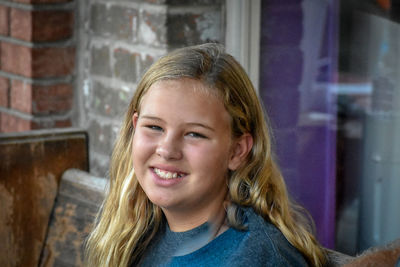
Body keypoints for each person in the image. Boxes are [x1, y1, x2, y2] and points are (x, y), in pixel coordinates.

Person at [85, 43, 326, 267]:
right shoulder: (139, 231)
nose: (167, 150)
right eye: (155, 127)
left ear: (237, 151)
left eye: (194, 134)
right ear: (135, 127)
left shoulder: (258, 257)